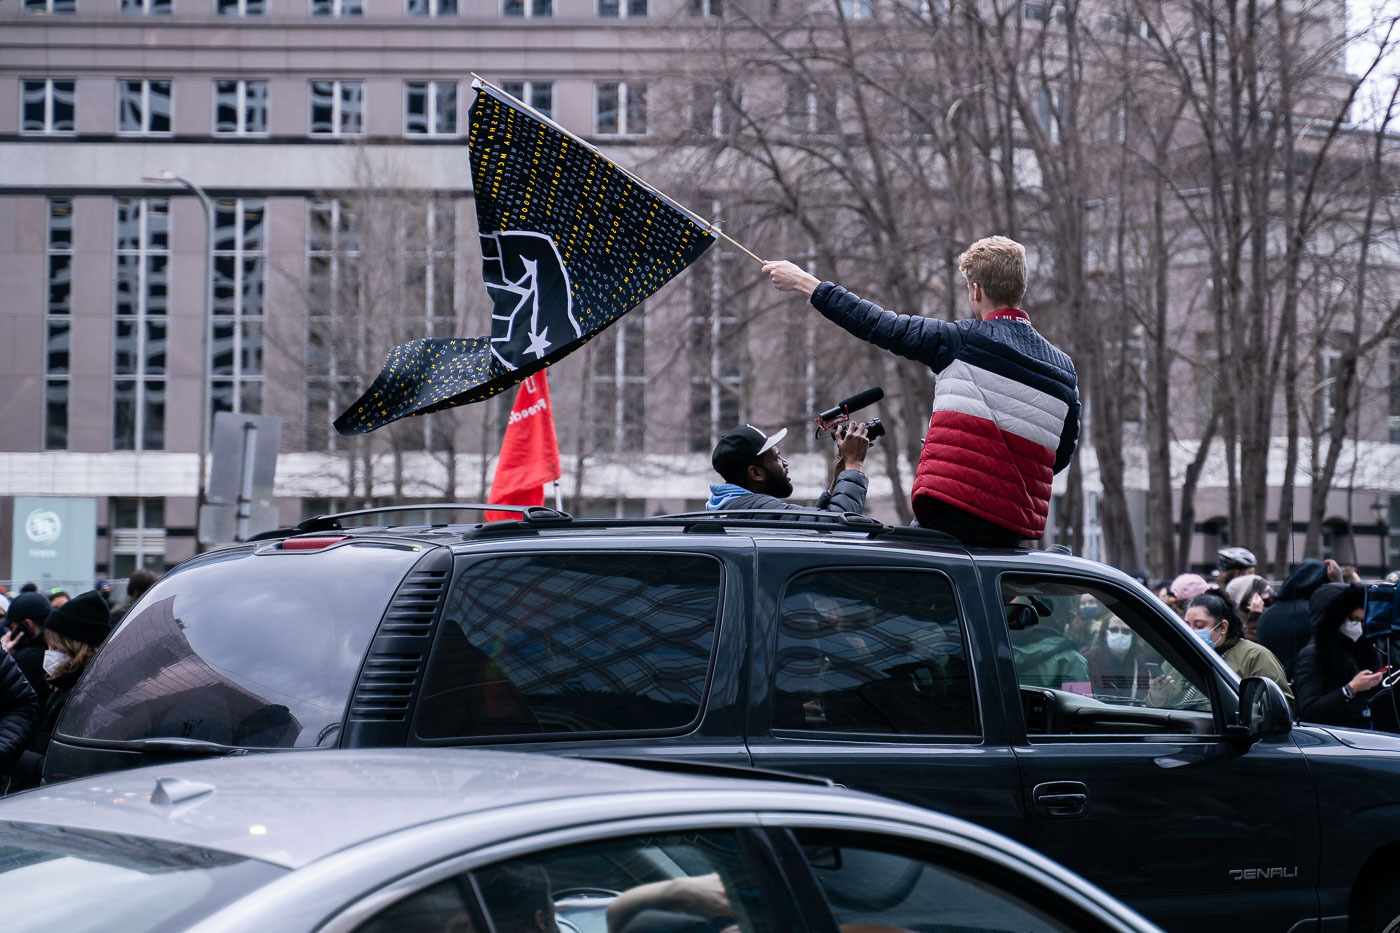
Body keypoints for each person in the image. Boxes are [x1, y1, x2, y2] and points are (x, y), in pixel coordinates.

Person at [762, 237, 1079, 547]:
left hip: (953, 510)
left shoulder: (961, 340)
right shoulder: (1064, 370)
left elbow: (879, 324)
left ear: (976, 290)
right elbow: (1059, 454)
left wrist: (805, 282)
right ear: (1019, 288)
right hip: (1012, 527)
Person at [5, 590, 112, 791]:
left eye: (55, 648)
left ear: (77, 649)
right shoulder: (64, 687)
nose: (49, 655)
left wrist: (10, 755)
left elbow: (61, 767)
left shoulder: (86, 698)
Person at [707, 422, 869, 516]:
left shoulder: (735, 507)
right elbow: (837, 530)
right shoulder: (757, 509)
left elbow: (812, 528)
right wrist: (854, 464)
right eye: (777, 458)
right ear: (755, 473)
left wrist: (839, 478)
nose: (785, 463)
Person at [1294, 583, 1391, 730]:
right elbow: (1307, 712)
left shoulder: (1364, 649)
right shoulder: (1313, 654)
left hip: (1363, 736)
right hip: (1332, 740)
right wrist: (1351, 689)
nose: (1357, 626)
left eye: (1362, 621)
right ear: (1334, 619)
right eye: (1352, 619)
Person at [1183, 592, 1293, 705]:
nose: (1192, 631)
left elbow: (1281, 705)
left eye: (1199, 626)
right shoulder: (1182, 653)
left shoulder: (1256, 656)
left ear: (1222, 627)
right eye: (1186, 625)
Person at [1084, 614, 1153, 702]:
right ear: (1105, 633)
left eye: (1125, 631)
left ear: (1133, 635)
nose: (1119, 634)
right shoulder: (1087, 661)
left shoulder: (1140, 666)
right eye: (1114, 630)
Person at [1, 592, 52, 699]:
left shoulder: (25, 659)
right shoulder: (56, 652)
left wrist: (5, 658)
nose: (9, 634)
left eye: (12, 628)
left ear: (28, 625)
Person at [1224, 573, 1271, 642]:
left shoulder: (1271, 616)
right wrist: (1255, 616)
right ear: (1249, 601)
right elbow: (1256, 644)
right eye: (1266, 592)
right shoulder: (1235, 630)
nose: (1270, 596)